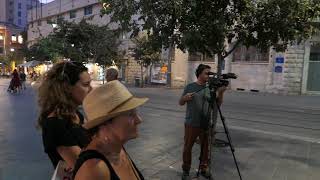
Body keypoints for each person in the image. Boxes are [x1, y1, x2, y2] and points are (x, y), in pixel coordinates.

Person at [73, 80, 148, 180]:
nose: (139, 120)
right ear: (104, 124)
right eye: (130, 114)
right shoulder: (93, 170)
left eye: (136, 112)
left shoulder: (117, 148)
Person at [37, 61, 92, 169]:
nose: (91, 89)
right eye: (86, 85)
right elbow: (84, 167)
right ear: (67, 88)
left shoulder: (74, 114)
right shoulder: (55, 123)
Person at [179, 64, 227, 179]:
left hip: (205, 124)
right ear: (199, 73)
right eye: (206, 73)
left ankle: (203, 169)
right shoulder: (190, 87)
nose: (208, 75)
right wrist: (184, 98)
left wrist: (220, 93)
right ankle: (186, 170)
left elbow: (217, 105)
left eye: (210, 73)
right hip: (191, 123)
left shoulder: (210, 89)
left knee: (206, 148)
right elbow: (180, 102)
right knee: (187, 147)